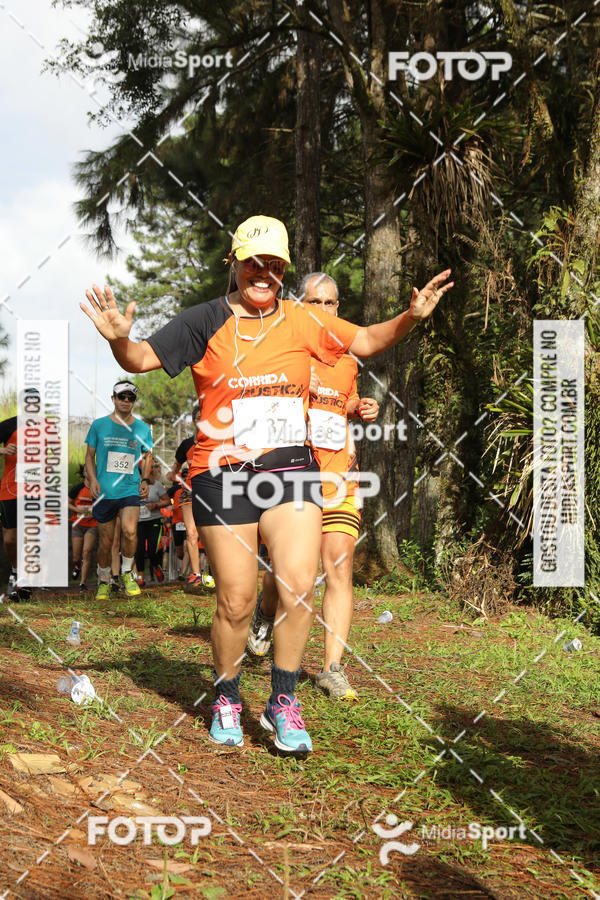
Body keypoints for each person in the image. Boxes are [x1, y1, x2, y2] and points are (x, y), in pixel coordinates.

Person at [81, 214, 453, 753]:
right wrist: (119, 340)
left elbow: (369, 340)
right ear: (234, 264)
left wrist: (411, 317)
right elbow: (140, 358)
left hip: (289, 470)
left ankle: (283, 699)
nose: (264, 272)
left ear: (282, 270)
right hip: (222, 474)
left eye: (274, 264)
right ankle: (227, 694)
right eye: (253, 262)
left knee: (300, 582)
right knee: (236, 599)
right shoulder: (203, 320)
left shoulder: (303, 320)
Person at [248, 272, 378, 701]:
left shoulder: (347, 357)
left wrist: (361, 407)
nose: (324, 311)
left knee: (338, 562)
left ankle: (332, 669)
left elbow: (346, 402)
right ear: (299, 305)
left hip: (340, 474)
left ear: (338, 308)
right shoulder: (289, 351)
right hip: (295, 476)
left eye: (331, 303)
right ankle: (264, 617)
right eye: (315, 303)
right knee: (287, 574)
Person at [84, 381, 153, 601]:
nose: (125, 401)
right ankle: (104, 579)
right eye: (121, 397)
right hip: (104, 490)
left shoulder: (142, 428)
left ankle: (126, 573)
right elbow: (89, 456)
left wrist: (144, 479)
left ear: (134, 402)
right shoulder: (99, 425)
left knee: (130, 532)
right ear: (113, 398)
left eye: (130, 398)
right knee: (105, 542)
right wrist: (92, 479)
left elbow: (148, 454)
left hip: (129, 488)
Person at [166, 404, 212, 590]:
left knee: (210, 534)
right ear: (194, 420)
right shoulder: (186, 444)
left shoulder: (215, 441)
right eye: (198, 417)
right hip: (189, 492)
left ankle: (211, 570)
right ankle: (195, 573)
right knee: (191, 533)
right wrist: (174, 476)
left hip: (211, 492)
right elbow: (175, 469)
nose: (201, 421)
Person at [0, 413, 31, 601]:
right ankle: (15, 569)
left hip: (35, 489)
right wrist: (3, 451)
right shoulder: (9, 425)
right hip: (10, 490)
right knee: (11, 539)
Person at [135, 459, 170, 586]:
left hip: (154, 520)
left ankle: (156, 566)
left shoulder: (157, 486)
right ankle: (140, 577)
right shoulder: (135, 485)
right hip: (138, 521)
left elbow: (167, 501)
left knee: (152, 550)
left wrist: (155, 505)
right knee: (138, 550)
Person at [68, 465, 99, 593]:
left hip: (92, 525)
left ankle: (83, 583)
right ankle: (76, 566)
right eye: (87, 470)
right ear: (84, 473)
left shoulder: (98, 489)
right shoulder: (78, 488)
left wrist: (94, 511)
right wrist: (77, 510)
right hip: (78, 524)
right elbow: (67, 503)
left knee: (86, 552)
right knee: (77, 555)